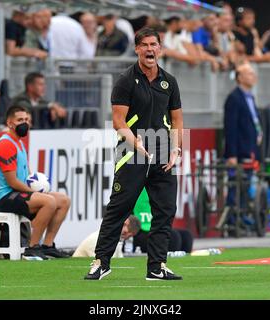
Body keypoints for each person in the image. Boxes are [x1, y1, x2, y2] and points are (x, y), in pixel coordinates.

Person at [84, 28, 183, 281]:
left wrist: (176, 149)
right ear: (137, 49)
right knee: (118, 208)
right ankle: (101, 262)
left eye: (154, 45)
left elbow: (177, 120)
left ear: (160, 48)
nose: (150, 49)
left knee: (165, 210)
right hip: (132, 151)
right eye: (145, 45)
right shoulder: (126, 80)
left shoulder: (169, 81)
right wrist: (135, 142)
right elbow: (118, 121)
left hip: (162, 151)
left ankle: (157, 267)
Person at [0, 105, 71, 260]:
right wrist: (33, 192)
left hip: (19, 193)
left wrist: (36, 187)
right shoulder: (6, 144)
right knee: (49, 202)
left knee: (63, 200)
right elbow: (13, 182)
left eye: (27, 119)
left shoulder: (19, 143)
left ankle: (47, 246)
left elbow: (26, 174)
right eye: (20, 120)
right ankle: (32, 247)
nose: (25, 123)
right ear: (9, 123)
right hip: (5, 197)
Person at [222, 63, 262, 229]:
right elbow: (230, 127)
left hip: (250, 147)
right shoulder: (234, 98)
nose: (253, 76)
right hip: (238, 150)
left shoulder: (250, 97)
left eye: (253, 73)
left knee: (246, 184)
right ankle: (232, 219)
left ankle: (243, 216)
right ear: (239, 77)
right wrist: (231, 154)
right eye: (249, 73)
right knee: (235, 184)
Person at [133, 188, 193, 253]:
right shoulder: (135, 185)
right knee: (174, 237)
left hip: (155, 225)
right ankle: (161, 261)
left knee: (186, 236)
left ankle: (182, 262)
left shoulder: (158, 186)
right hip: (138, 229)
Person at [73, 216, 141, 258]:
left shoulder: (115, 241)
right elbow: (99, 264)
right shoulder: (96, 239)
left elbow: (119, 262)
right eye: (123, 225)